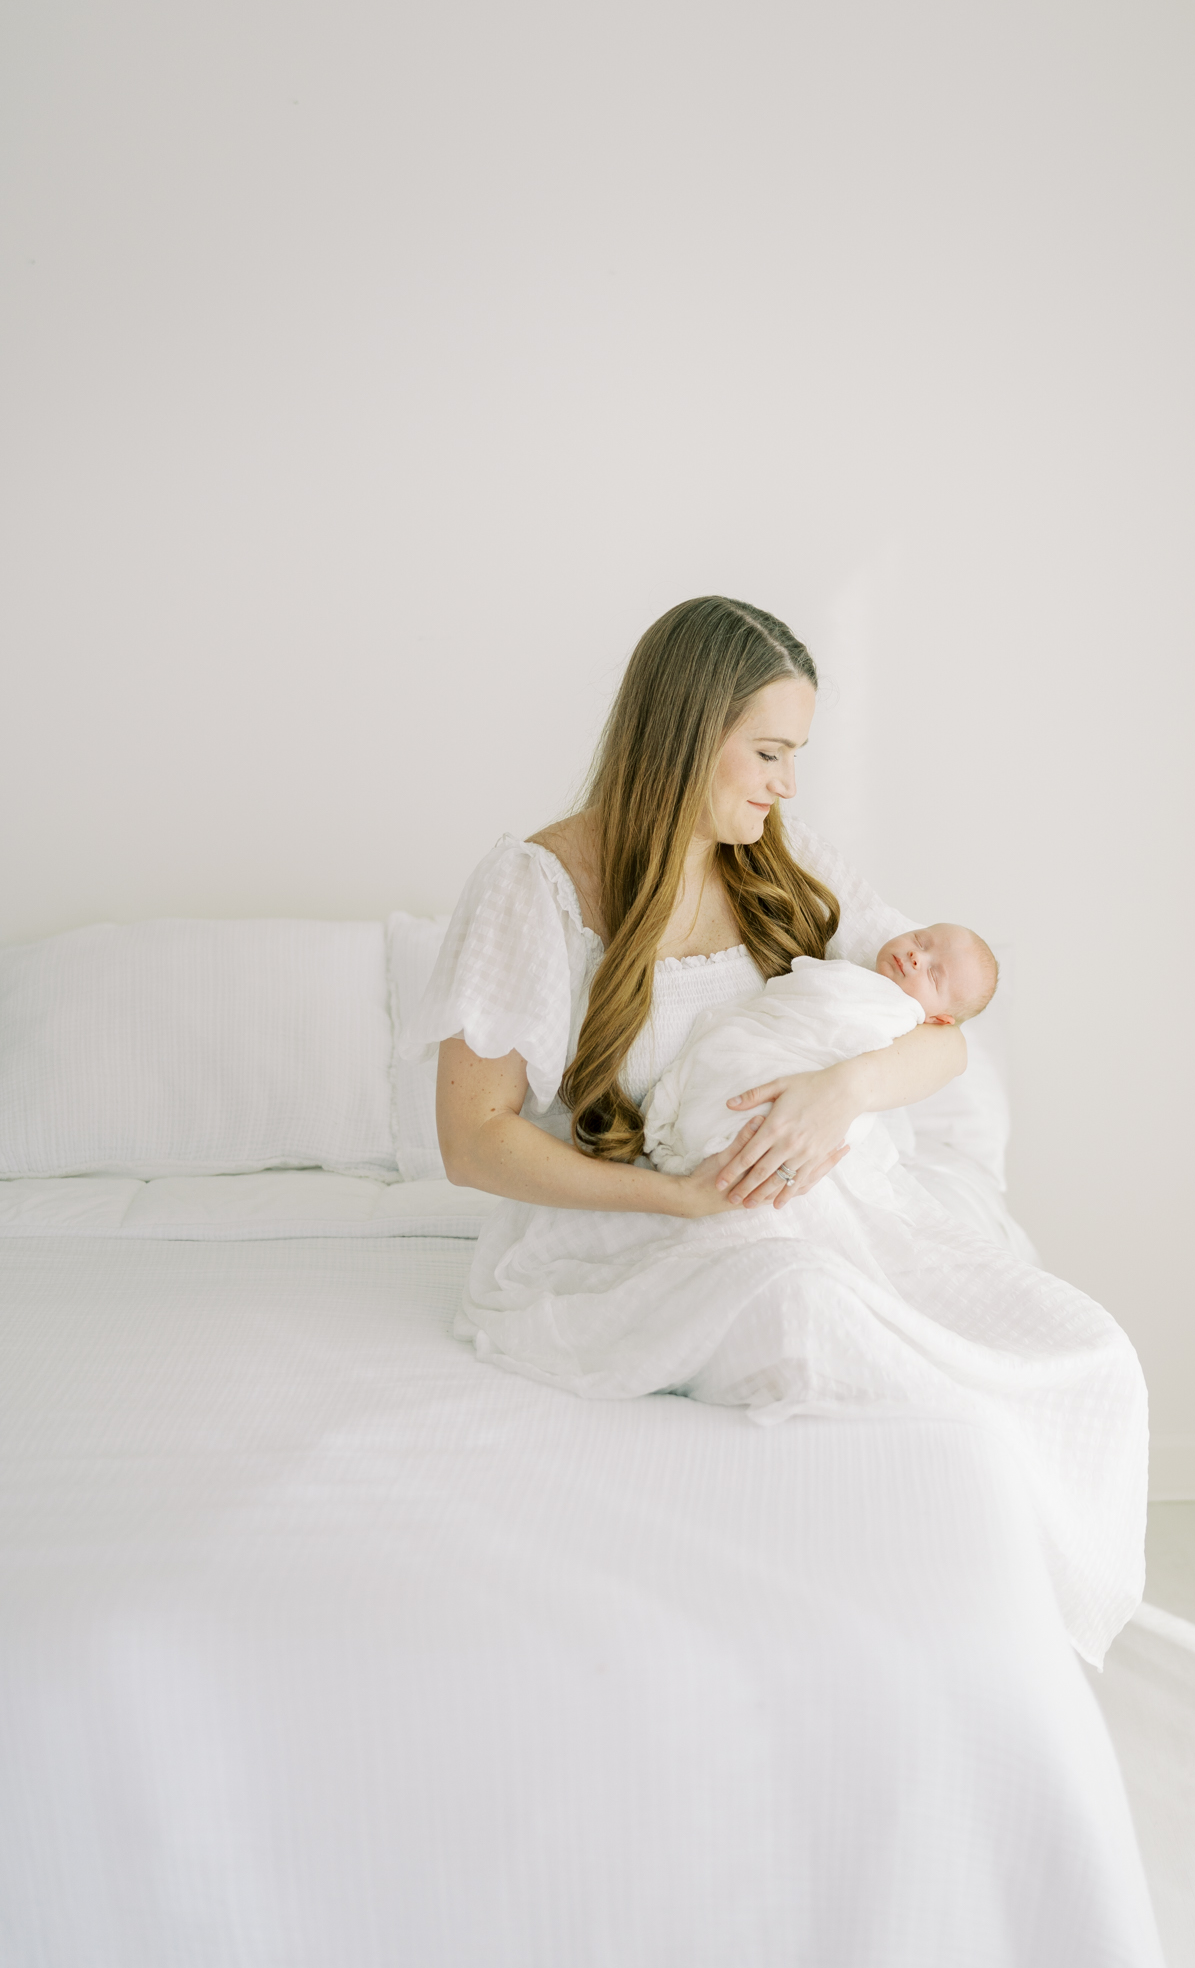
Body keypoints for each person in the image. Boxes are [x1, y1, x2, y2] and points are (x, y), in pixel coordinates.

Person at [403, 595, 1147, 1665]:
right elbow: (471, 1141)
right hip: (641, 1227)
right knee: (809, 1313)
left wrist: (841, 1089)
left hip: (830, 1202)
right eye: (766, 751)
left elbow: (946, 1039)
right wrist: (684, 1195)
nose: (784, 783)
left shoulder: (789, 863)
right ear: (684, 732)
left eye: (793, 754)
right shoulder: (533, 889)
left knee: (1084, 1350)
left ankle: (1013, 1601)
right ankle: (942, 1613)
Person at [641, 923, 999, 1176]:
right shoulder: (850, 972)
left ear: (939, 1020)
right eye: (921, 940)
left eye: (934, 975)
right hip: (762, 1046)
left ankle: (715, 1147)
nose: (917, 956)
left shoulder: (900, 1020)